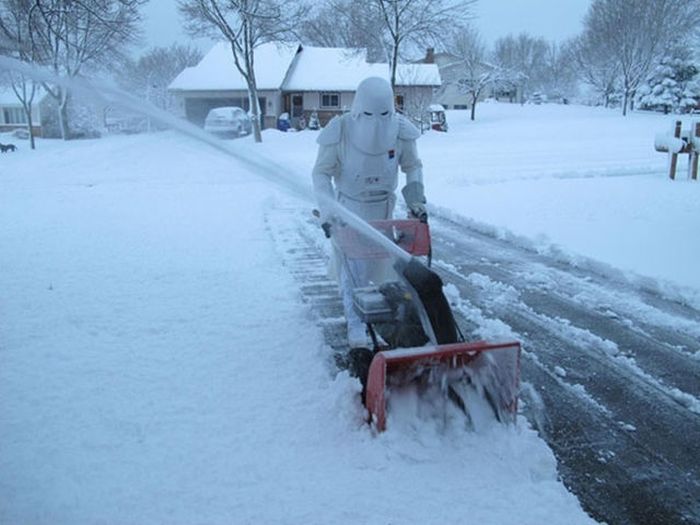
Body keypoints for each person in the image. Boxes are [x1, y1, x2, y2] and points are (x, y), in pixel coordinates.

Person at [312, 76, 427, 349]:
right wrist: (329, 210)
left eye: (384, 114)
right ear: (358, 108)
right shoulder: (339, 130)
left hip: (386, 210)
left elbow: (413, 165)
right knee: (354, 270)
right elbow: (321, 173)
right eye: (368, 114)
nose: (376, 122)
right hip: (349, 210)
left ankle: (397, 320)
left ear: (392, 107)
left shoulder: (401, 131)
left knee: (392, 268)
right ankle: (356, 326)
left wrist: (416, 201)